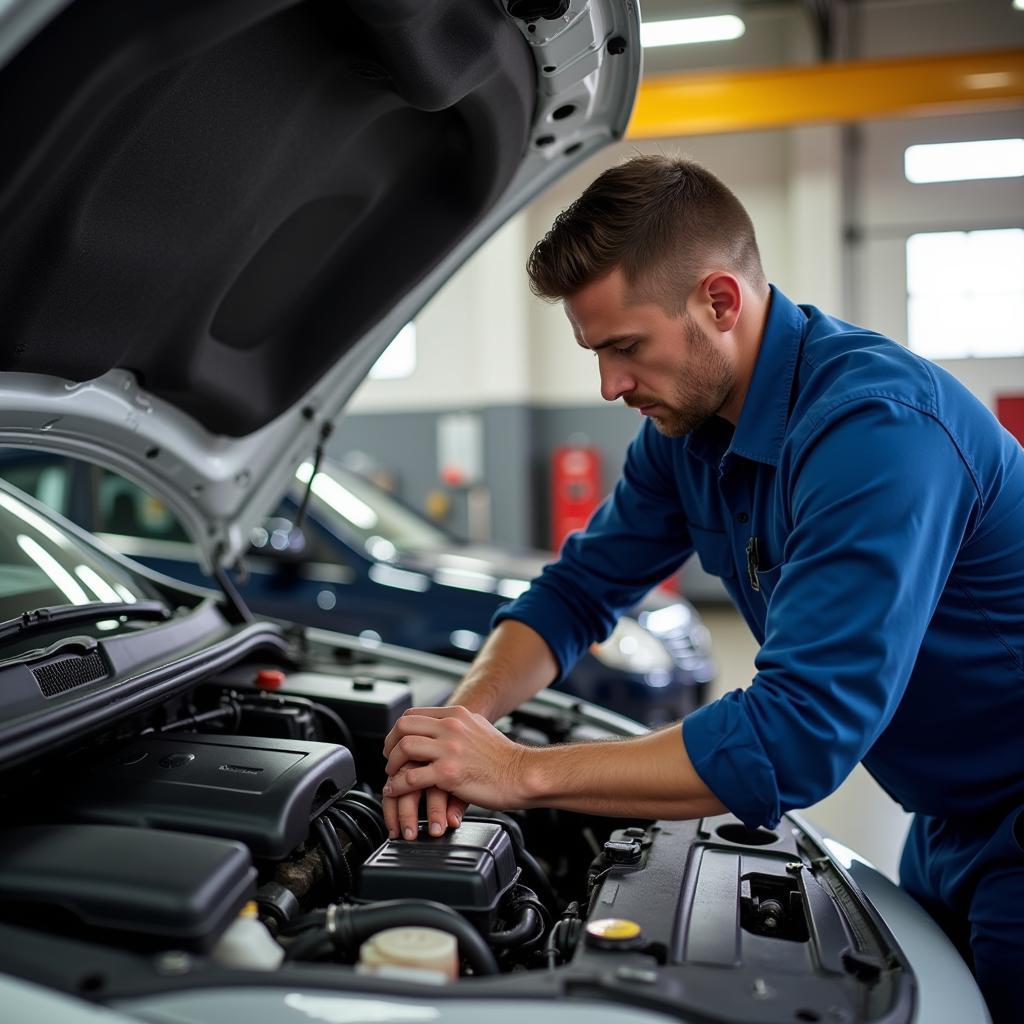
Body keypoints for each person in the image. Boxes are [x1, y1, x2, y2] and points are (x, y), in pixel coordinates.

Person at [380, 155, 1024, 1021]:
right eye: (595, 352)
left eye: (625, 346)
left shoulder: (877, 432)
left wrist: (521, 775)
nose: (609, 385)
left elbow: (796, 735)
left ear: (720, 301)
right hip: (949, 817)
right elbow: (574, 594)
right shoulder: (688, 436)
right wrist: (461, 729)